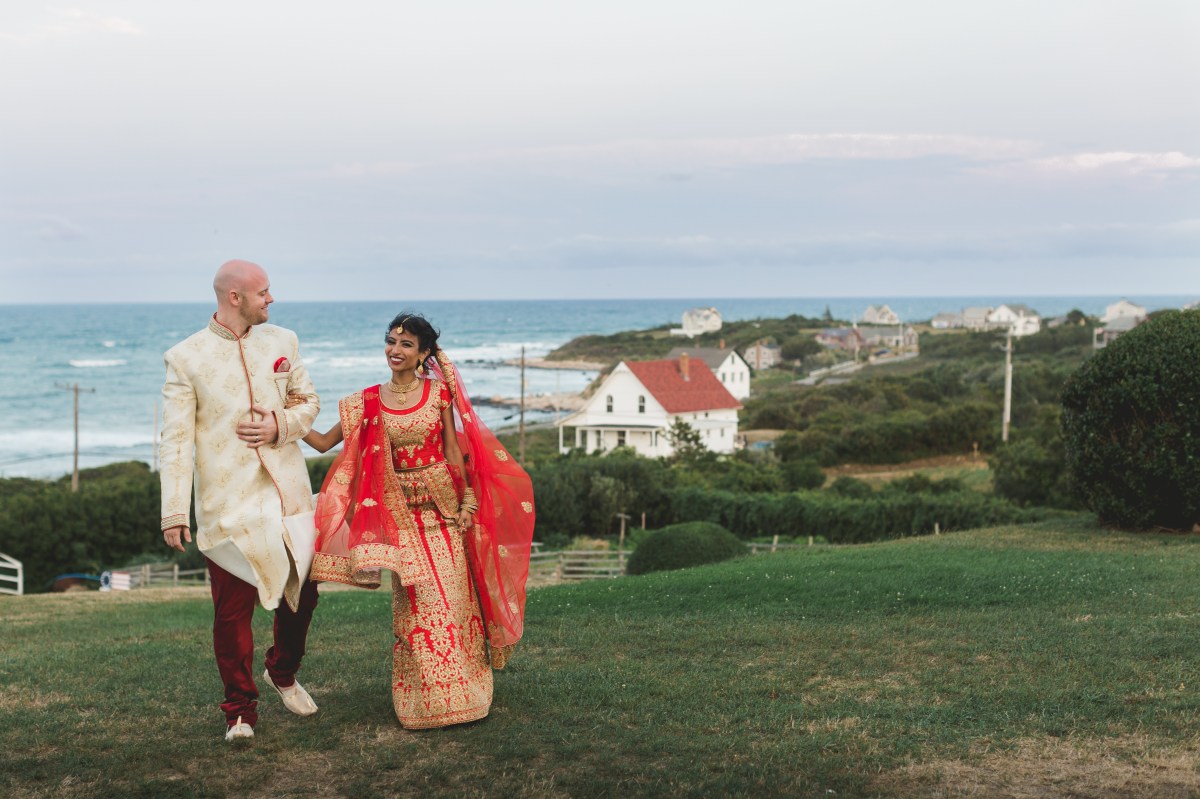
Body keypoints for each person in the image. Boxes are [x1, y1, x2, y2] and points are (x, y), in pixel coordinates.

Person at [303, 313, 534, 729]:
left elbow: (452, 451)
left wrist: (466, 503)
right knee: (419, 610)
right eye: (391, 341)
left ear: (424, 353)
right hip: (399, 517)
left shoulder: (438, 393)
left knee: (456, 602)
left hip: (443, 512)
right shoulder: (368, 401)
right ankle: (425, 703)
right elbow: (322, 443)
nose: (395, 350)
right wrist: (285, 413)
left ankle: (468, 694)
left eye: (407, 344)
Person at [159, 259, 323, 742]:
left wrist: (280, 426)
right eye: (263, 292)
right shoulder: (185, 358)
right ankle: (239, 710)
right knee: (233, 612)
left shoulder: (283, 342)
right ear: (236, 297)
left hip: (289, 494)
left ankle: (283, 671)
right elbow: (175, 441)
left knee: (304, 595)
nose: (271, 299)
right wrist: (174, 510)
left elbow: (306, 402)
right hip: (227, 504)